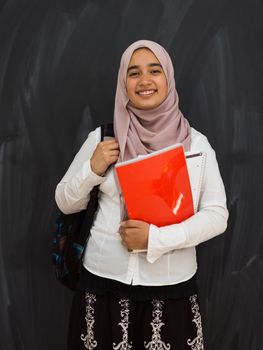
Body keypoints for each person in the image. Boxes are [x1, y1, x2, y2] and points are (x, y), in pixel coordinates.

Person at [55, 40, 228, 350]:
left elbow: (217, 215)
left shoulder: (196, 145)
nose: (144, 81)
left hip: (170, 290)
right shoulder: (103, 138)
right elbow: (65, 202)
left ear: (168, 78)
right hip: (101, 287)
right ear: (124, 83)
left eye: (154, 70)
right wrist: (92, 170)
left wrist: (156, 240)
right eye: (133, 73)